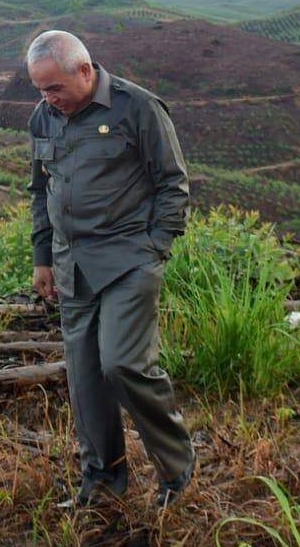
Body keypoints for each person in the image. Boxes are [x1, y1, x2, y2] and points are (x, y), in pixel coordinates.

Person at [25, 30, 196, 508]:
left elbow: (173, 185)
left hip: (128, 261)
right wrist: (43, 257)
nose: (47, 98)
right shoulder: (44, 116)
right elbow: (40, 191)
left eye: (54, 87)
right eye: (40, 89)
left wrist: (155, 249)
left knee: (122, 364)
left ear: (85, 70)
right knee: (85, 378)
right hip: (71, 266)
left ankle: (178, 467)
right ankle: (102, 481)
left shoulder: (137, 108)